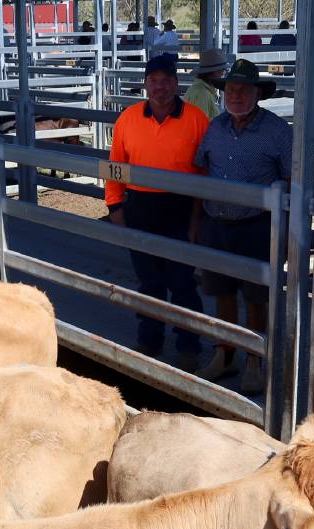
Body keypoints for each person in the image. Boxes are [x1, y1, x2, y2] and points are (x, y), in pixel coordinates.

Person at [192, 59, 291, 394]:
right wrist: (197, 221)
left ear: (257, 94)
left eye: (243, 90)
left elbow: (291, 181)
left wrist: (286, 230)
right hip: (216, 223)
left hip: (257, 225)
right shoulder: (215, 128)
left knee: (256, 297)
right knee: (220, 291)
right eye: (231, 89)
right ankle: (226, 353)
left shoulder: (277, 131)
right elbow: (201, 170)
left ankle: (254, 359)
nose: (235, 95)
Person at [105, 55, 209, 369]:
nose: (160, 87)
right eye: (154, 80)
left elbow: (204, 174)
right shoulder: (128, 118)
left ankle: (189, 345)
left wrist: (196, 219)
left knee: (182, 283)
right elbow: (115, 166)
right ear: (146, 83)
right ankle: (150, 340)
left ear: (177, 83)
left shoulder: (196, 118)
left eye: (166, 80)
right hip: (140, 208)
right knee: (149, 281)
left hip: (180, 209)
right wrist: (115, 206)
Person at [183, 48, 226, 120]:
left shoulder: (200, 90)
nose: (222, 73)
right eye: (221, 70)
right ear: (213, 72)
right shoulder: (202, 94)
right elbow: (200, 126)